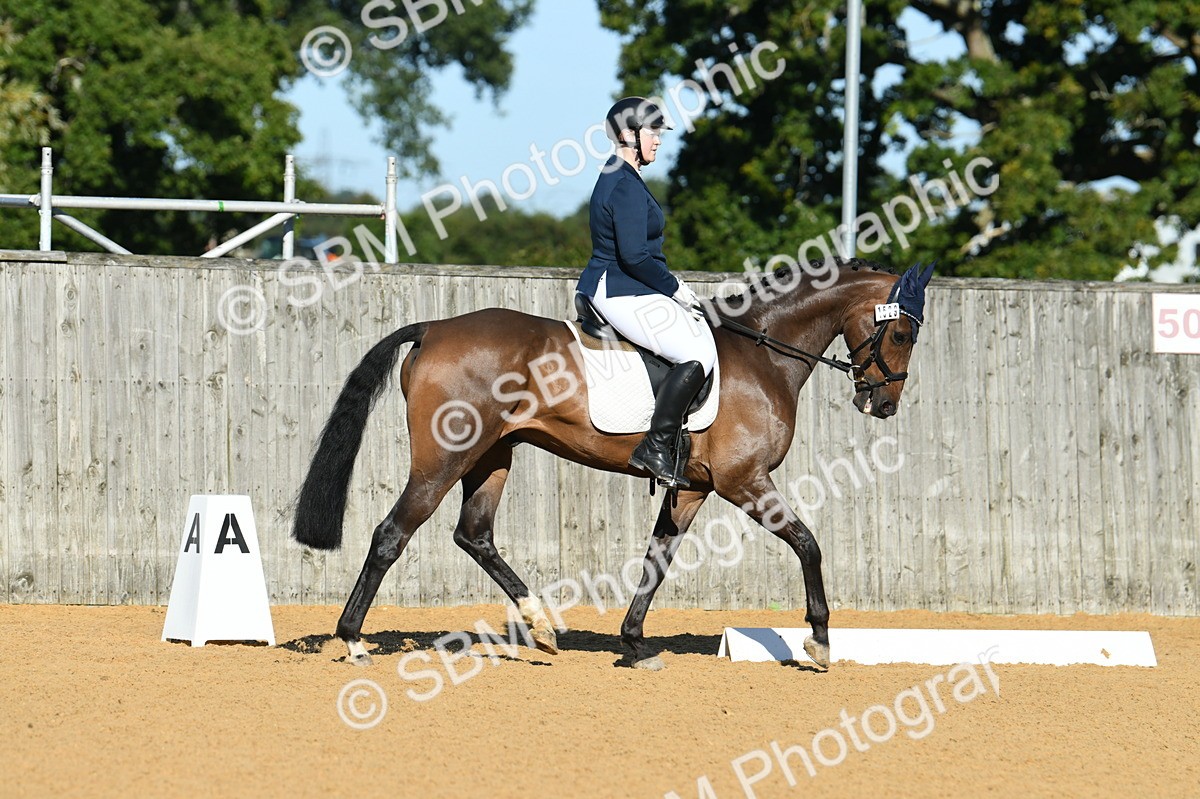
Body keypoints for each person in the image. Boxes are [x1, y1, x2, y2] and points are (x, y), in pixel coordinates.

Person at [575, 97, 718, 488]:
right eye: (652, 133)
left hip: (628, 287)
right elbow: (635, 256)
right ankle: (655, 446)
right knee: (697, 352)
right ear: (627, 135)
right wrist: (675, 288)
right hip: (619, 288)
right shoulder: (622, 183)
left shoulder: (624, 177)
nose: (657, 140)